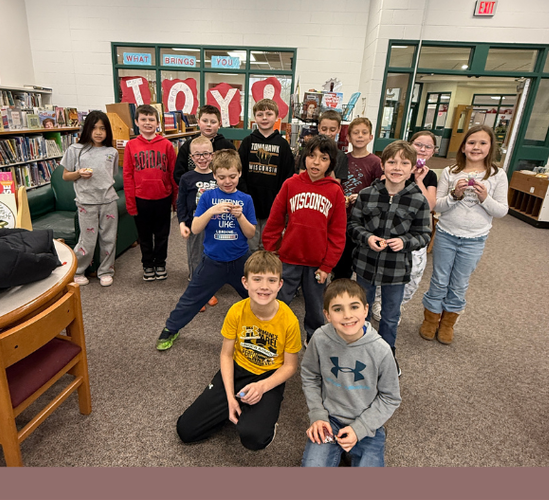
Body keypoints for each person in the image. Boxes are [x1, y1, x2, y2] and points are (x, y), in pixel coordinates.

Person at [176, 250, 301, 451]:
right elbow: (226, 355)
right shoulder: (236, 311)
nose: (264, 287)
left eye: (271, 280)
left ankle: (262, 410)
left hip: (268, 375)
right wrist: (230, 397)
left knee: (254, 438)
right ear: (245, 282)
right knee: (186, 430)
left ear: (279, 284)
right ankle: (238, 405)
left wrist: (262, 387)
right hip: (238, 370)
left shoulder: (289, 320)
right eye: (257, 279)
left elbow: (290, 366)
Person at [156, 149, 256, 350]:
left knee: (258, 295)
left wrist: (240, 216)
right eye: (221, 177)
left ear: (239, 174)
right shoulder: (208, 197)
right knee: (191, 298)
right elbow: (195, 228)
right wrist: (211, 211)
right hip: (212, 261)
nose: (227, 181)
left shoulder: (245, 199)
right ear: (214, 175)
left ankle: (271, 328)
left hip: (240, 261)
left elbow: (251, 233)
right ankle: (171, 328)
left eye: (232, 176)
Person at [419, 124, 509, 344]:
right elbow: (437, 206)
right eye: (471, 142)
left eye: (482, 143)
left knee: (459, 282)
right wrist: (455, 194)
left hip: (474, 239)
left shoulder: (497, 175)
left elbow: (502, 211)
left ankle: (448, 323)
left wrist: (485, 198)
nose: (476, 147)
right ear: (463, 146)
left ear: (490, 147)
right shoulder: (451, 172)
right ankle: (431, 319)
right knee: (439, 279)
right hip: (447, 234)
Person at [348, 140, 431, 374]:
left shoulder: (418, 199)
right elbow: (353, 225)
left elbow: (424, 234)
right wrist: (367, 238)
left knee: (390, 315)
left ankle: (386, 355)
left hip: (397, 270)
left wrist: (404, 242)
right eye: (392, 161)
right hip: (366, 264)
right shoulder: (366, 195)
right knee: (361, 311)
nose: (397, 167)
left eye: (404, 163)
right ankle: (360, 350)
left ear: (413, 168)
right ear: (382, 165)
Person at [300, 279, 401, 468]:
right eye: (338, 309)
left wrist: (361, 428)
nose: (347, 316)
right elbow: (310, 375)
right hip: (329, 420)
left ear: (365, 310)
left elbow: (390, 397)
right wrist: (317, 415)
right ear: (327, 315)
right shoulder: (320, 339)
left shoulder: (381, 350)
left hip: (366, 422)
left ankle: (369, 435)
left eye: (354, 307)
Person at [261, 135, 347, 343]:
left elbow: (338, 233)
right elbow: (275, 220)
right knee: (279, 299)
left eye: (323, 158)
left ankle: (314, 337)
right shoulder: (291, 184)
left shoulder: (335, 191)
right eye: (312, 156)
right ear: (304, 158)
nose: (316, 162)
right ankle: (275, 331)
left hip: (317, 263)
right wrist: (271, 250)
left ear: (331, 163)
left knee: (316, 304)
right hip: (288, 257)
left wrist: (328, 266)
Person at [61, 110, 119, 286]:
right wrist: (78, 173)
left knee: (109, 238)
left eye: (102, 128)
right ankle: (78, 270)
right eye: (94, 128)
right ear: (87, 129)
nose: (98, 132)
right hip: (86, 201)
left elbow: (112, 175)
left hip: (108, 200)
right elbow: (65, 175)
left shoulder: (112, 151)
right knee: (87, 240)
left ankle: (106, 270)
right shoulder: (75, 150)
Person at [123, 103, 177, 282]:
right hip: (141, 198)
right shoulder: (131, 145)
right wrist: (130, 203)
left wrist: (175, 200)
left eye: (151, 119)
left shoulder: (167, 145)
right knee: (144, 235)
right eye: (143, 119)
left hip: (163, 197)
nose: (147, 122)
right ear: (137, 122)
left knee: (162, 234)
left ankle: (160, 263)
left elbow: (173, 173)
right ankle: (147, 264)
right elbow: (128, 175)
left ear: (157, 122)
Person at [237, 96, 295, 251]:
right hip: (250, 200)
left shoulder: (283, 145)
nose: (264, 118)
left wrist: (281, 198)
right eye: (260, 114)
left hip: (273, 202)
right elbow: (238, 170)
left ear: (277, 117)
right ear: (254, 117)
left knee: (269, 243)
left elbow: (288, 175)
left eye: (269, 114)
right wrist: (244, 195)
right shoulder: (247, 142)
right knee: (250, 241)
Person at [333, 115, 383, 280]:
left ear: (370, 137)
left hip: (362, 218)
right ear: (348, 137)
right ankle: (339, 281)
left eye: (364, 133)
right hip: (342, 216)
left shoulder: (376, 162)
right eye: (355, 133)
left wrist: (361, 196)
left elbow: (380, 189)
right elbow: (335, 183)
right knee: (342, 255)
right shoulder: (343, 158)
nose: (360, 136)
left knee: (359, 254)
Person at [398, 129, 439, 316]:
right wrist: (407, 172)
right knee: (390, 267)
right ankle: (380, 302)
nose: (422, 150)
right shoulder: (399, 168)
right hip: (396, 228)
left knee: (414, 273)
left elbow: (430, 205)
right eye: (418, 145)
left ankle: (399, 303)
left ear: (433, 151)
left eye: (427, 147)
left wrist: (419, 180)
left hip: (416, 231)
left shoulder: (430, 176)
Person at [176, 135, 218, 282]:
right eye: (197, 155)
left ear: (212, 155)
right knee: (196, 255)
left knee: (213, 254)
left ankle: (210, 285)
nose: (202, 158)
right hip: (195, 223)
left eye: (206, 154)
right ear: (192, 157)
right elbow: (180, 203)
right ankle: (197, 286)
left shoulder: (218, 176)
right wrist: (182, 224)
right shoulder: (187, 178)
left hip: (215, 223)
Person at [173, 104, 230, 182]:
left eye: (213, 122)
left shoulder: (227, 147)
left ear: (219, 124)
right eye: (205, 121)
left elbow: (233, 171)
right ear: (198, 122)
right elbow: (178, 174)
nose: (209, 125)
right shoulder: (188, 146)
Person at [296, 108, 349, 182]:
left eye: (332, 130)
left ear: (339, 129)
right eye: (324, 129)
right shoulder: (308, 150)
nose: (327, 133)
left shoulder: (341, 156)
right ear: (319, 128)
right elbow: (301, 176)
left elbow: (336, 184)